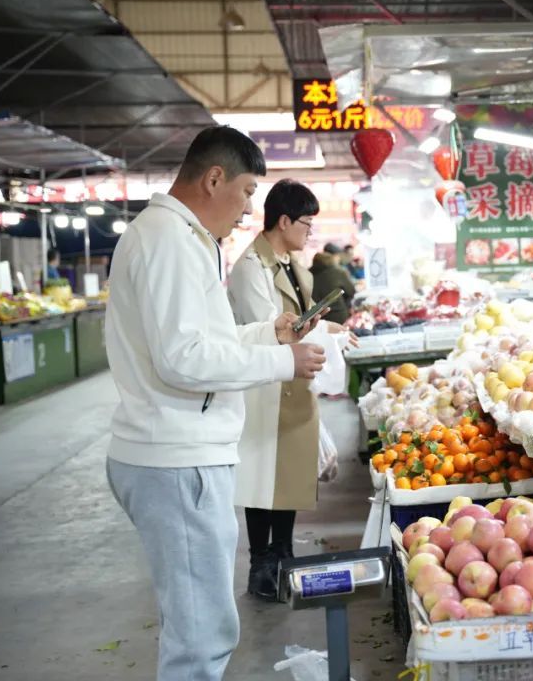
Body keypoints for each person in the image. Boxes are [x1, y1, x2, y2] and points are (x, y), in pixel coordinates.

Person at [103, 126, 327, 681]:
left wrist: (266, 336)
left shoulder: (180, 238)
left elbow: (203, 342)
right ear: (214, 178)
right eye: (249, 192)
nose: (251, 208)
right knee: (201, 635)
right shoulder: (169, 241)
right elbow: (183, 360)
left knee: (193, 620)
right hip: (176, 458)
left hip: (177, 452)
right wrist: (283, 363)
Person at [227, 180, 355, 600]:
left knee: (288, 482)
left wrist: (332, 328)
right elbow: (267, 329)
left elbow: (298, 321)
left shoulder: (288, 263)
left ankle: (282, 557)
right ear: (283, 221)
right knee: (263, 482)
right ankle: (262, 566)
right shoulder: (251, 268)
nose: (309, 232)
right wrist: (311, 328)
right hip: (266, 388)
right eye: (305, 223)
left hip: (292, 383)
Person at [309, 242, 355, 325]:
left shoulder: (308, 273)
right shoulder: (338, 272)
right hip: (337, 316)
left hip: (315, 318)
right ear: (334, 257)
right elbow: (351, 291)